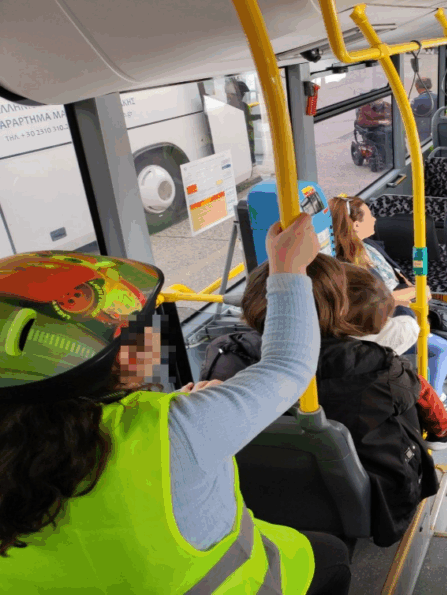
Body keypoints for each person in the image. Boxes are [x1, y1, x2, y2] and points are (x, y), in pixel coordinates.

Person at [0, 216, 352, 594]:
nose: (153, 334)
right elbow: (288, 366)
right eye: (143, 325)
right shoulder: (175, 430)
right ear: (120, 359)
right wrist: (288, 268)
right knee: (331, 553)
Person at [236, 257, 447, 542]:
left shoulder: (230, 356)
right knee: (415, 391)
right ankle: (442, 430)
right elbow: (407, 392)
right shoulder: (378, 367)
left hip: (260, 491)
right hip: (375, 493)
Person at [328, 195, 447, 413]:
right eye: (370, 216)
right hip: (380, 320)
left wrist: (412, 287)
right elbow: (375, 302)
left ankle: (445, 370)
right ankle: (436, 401)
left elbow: (395, 272)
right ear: (356, 225)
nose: (375, 219)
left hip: (399, 306)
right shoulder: (348, 266)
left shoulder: (368, 245)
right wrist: (415, 293)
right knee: (443, 346)